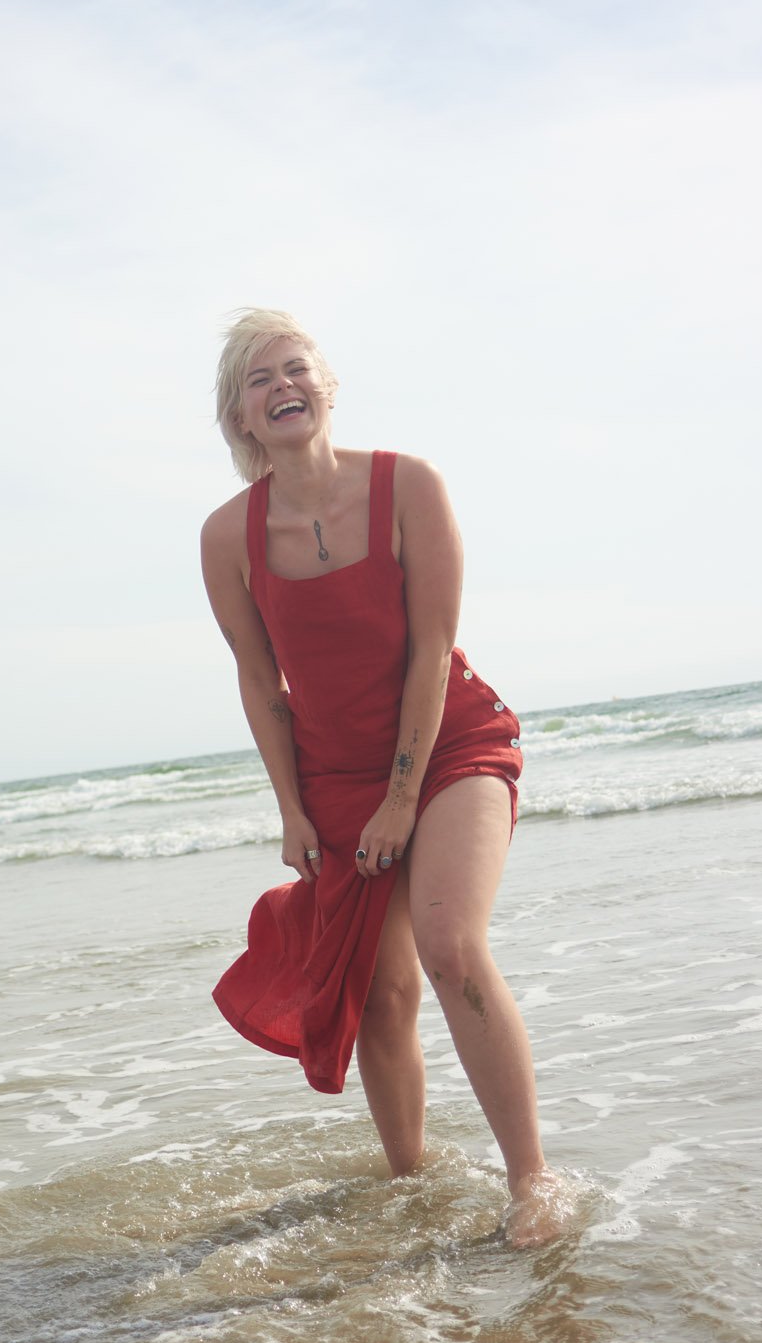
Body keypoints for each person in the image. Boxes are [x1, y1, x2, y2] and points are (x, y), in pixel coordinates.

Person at [201, 310, 564, 1246]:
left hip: (449, 742)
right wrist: (291, 807)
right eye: (257, 378)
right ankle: (412, 1187)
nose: (281, 386)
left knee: (448, 943)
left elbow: (433, 650)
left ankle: (532, 1184)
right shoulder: (225, 537)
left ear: (326, 385)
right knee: (382, 993)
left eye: (295, 368)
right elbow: (259, 679)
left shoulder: (409, 486)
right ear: (240, 416)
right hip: (331, 773)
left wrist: (403, 797)